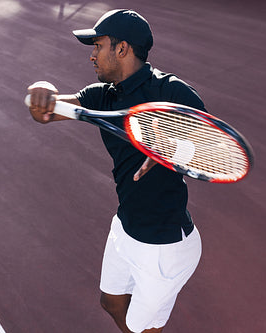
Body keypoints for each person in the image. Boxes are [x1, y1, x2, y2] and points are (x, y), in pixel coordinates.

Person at [27, 9, 204, 333]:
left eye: (98, 46)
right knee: (110, 302)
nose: (92, 56)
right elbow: (47, 112)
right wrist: (41, 89)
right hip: (125, 225)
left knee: (141, 328)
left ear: (121, 49)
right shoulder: (101, 97)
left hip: (163, 245)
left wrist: (172, 147)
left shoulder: (171, 91)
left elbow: (212, 143)